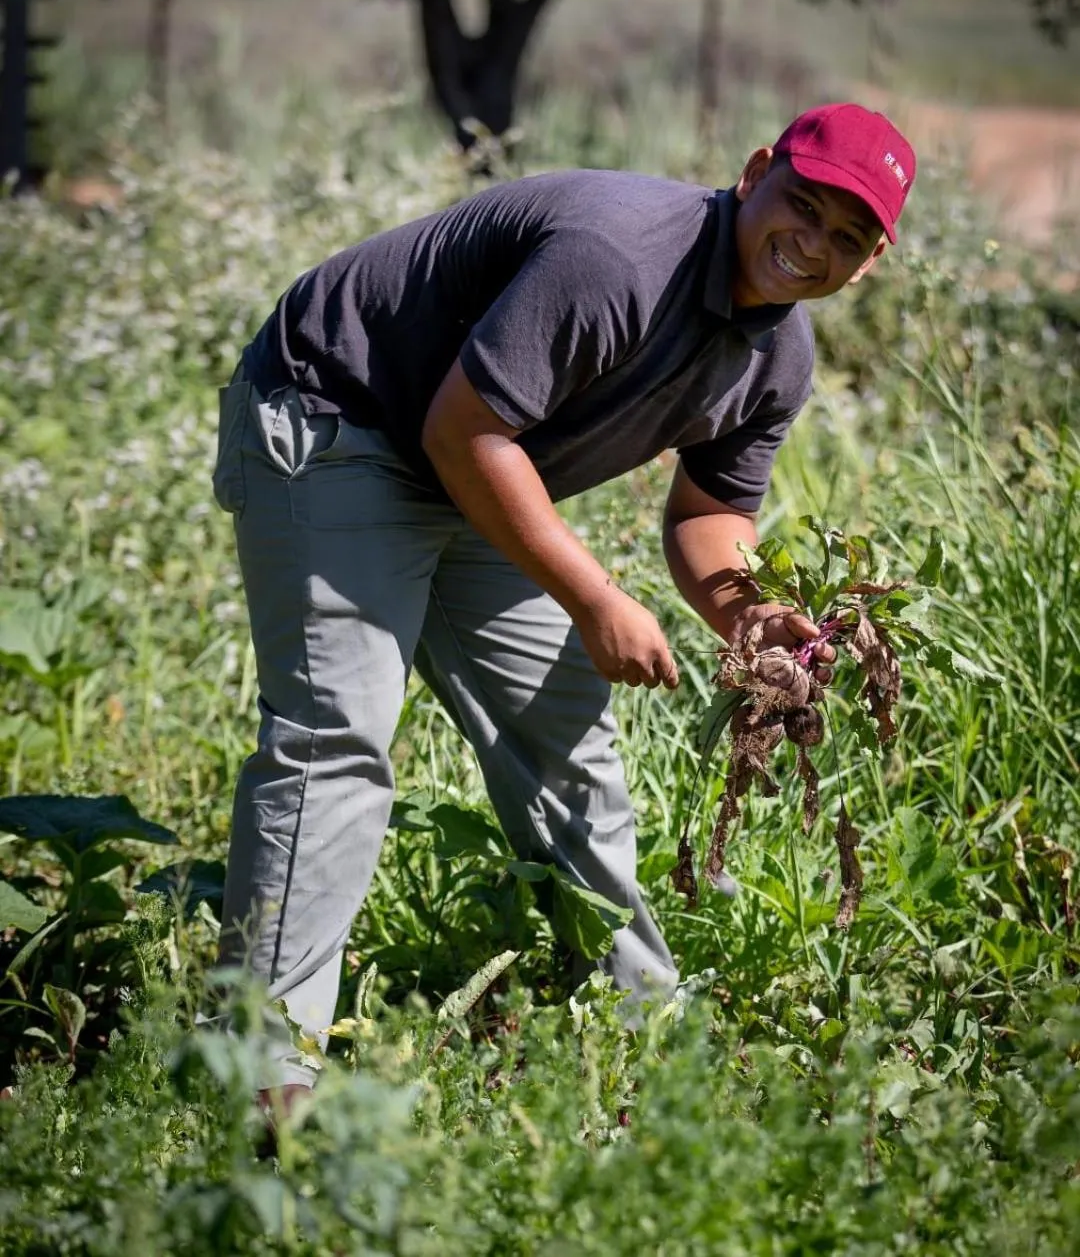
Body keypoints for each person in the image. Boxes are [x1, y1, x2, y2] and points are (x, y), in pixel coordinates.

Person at [209, 101, 915, 1112]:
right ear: (756, 171)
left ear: (871, 263)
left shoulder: (779, 356)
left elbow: (711, 517)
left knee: (567, 751)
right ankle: (264, 1079)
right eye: (803, 205)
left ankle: (645, 1044)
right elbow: (467, 435)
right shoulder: (620, 256)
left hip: (480, 460)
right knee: (338, 737)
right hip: (344, 418)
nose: (814, 246)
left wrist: (755, 618)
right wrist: (593, 596)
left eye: (849, 238)